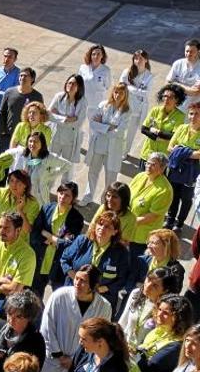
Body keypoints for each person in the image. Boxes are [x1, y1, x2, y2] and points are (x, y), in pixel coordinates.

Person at [38, 264, 112, 372]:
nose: (77, 283)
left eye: (83, 281)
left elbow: (100, 339)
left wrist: (76, 361)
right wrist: (59, 354)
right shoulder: (60, 295)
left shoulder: (104, 307)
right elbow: (47, 327)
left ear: (94, 285)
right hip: (52, 360)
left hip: (79, 365)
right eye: (76, 278)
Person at [0, 211, 36, 325]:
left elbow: (13, 290)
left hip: (4, 316)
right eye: (0, 227)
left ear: (18, 230)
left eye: (6, 228)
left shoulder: (28, 255)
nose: (1, 231)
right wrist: (2, 280)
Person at [127, 152, 174, 291]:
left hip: (141, 236)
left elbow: (152, 216)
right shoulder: (140, 176)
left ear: (162, 168)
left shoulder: (165, 190)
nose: (149, 166)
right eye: (148, 163)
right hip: (128, 230)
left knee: (136, 266)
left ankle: (131, 290)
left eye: (153, 164)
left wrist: (128, 222)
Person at [30, 182, 84, 296]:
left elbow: (69, 243)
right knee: (35, 295)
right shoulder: (47, 208)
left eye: (67, 195)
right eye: (61, 193)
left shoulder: (76, 218)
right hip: (41, 260)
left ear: (74, 198)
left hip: (58, 265)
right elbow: (35, 232)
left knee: (59, 296)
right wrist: (49, 240)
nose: (62, 197)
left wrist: (49, 236)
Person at [82, 83, 130, 206]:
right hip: (100, 146)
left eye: (121, 93)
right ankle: (87, 197)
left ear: (125, 95)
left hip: (114, 149)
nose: (118, 95)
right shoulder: (103, 105)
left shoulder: (127, 112)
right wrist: (110, 127)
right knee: (93, 172)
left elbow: (119, 132)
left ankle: (105, 201)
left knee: (110, 176)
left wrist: (102, 126)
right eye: (116, 92)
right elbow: (92, 124)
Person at [0, 131, 70, 203]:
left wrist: (51, 176)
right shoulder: (23, 153)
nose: (32, 144)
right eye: (30, 141)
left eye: (36, 142)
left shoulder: (49, 158)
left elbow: (67, 165)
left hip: (37, 197)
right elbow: (6, 153)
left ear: (42, 143)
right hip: (22, 193)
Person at [0, 169, 41, 244]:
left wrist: (20, 210)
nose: (14, 185)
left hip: (15, 245)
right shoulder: (5, 192)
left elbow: (27, 230)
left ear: (26, 185)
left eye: (18, 181)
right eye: (11, 181)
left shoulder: (33, 203)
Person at [165, 102, 200, 232]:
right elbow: (170, 147)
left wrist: (181, 150)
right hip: (176, 169)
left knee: (186, 198)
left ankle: (179, 223)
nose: (193, 117)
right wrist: (190, 152)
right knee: (173, 195)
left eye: (197, 114)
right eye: (191, 113)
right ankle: (170, 219)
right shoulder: (181, 128)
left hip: (192, 173)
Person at [0, 67, 43, 154]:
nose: (22, 78)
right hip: (9, 134)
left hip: (26, 137)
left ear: (32, 79)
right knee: (6, 160)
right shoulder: (9, 92)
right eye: (21, 75)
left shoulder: (37, 96)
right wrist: (2, 130)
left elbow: (40, 117)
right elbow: (2, 112)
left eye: (25, 76)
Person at [141, 85, 187, 168]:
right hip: (147, 153)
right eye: (165, 96)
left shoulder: (180, 116)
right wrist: (159, 137)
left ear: (177, 100)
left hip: (163, 159)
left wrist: (156, 131)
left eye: (171, 97)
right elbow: (144, 129)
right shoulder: (155, 110)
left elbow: (172, 136)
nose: (166, 99)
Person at [122, 49, 155, 157]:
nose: (138, 60)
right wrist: (138, 91)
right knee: (120, 130)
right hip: (125, 106)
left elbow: (147, 93)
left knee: (130, 134)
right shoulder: (127, 72)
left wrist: (130, 88)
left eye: (141, 58)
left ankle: (124, 153)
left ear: (146, 60)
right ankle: (116, 150)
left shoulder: (149, 76)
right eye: (136, 58)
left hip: (137, 110)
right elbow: (121, 87)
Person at [167, 39, 200, 110]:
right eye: (187, 51)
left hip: (192, 108)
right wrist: (188, 88)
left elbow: (195, 92)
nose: (188, 54)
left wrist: (176, 84)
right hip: (174, 104)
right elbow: (167, 83)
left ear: (198, 52)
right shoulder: (178, 63)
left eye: (192, 51)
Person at [79, 44, 113, 113]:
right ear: (90, 56)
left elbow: (108, 86)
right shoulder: (83, 68)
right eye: (93, 54)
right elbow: (79, 84)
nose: (96, 56)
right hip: (84, 103)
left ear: (102, 56)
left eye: (98, 54)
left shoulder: (106, 70)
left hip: (98, 104)